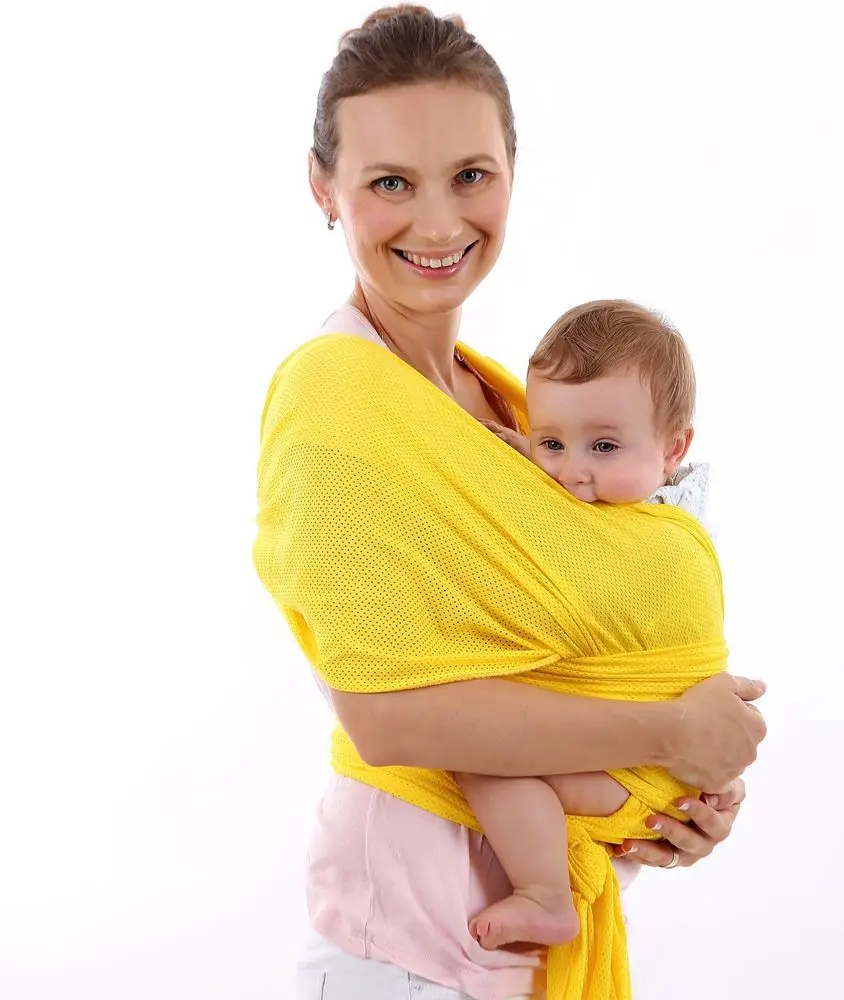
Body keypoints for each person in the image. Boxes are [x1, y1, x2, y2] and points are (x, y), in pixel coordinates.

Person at [252, 7, 767, 1000]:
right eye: (390, 182)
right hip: (406, 951)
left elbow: (582, 666)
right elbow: (388, 716)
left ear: (513, 173)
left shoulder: (518, 412)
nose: (438, 223)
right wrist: (670, 735)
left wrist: (672, 800)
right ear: (323, 187)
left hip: (512, 956)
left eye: (470, 175)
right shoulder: (335, 395)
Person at [454, 298, 716, 951]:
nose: (571, 472)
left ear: (674, 448)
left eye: (603, 446)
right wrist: (520, 452)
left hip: (644, 770)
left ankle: (544, 895)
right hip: (656, 753)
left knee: (488, 757)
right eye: (552, 443)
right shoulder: (607, 492)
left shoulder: (659, 536)